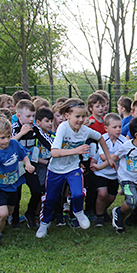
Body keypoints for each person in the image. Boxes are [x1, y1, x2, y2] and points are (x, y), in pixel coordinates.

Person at [36, 98, 114, 238]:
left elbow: (101, 138)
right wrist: (76, 151)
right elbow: (54, 152)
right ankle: (44, 223)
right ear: (67, 116)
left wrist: (108, 158)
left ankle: (78, 211)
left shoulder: (85, 130)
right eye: (77, 116)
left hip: (73, 168)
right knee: (50, 199)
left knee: (78, 194)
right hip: (56, 170)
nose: (81, 120)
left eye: (83, 116)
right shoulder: (63, 128)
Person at [0, 117, 35, 249]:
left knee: (10, 211)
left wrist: (28, 164)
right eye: (2, 138)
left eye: (8, 136)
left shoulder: (14, 144)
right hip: (0, 188)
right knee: (3, 213)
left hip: (13, 185)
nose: (6, 141)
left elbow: (24, 154)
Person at [11, 99, 53, 228]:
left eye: (33, 116)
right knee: (15, 194)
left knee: (37, 190)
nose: (31, 119)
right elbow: (7, 142)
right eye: (28, 116)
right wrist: (22, 133)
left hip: (30, 165)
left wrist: (56, 151)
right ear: (18, 116)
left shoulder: (35, 128)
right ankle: (14, 218)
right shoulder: (13, 127)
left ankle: (30, 214)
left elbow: (48, 142)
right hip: (15, 165)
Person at [94, 112, 127, 227]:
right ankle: (98, 217)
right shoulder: (102, 139)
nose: (118, 129)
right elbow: (103, 157)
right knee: (102, 194)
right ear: (106, 128)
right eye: (115, 127)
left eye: (120, 126)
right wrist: (118, 155)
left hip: (115, 174)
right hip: (101, 173)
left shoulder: (124, 141)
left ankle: (103, 211)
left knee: (112, 197)